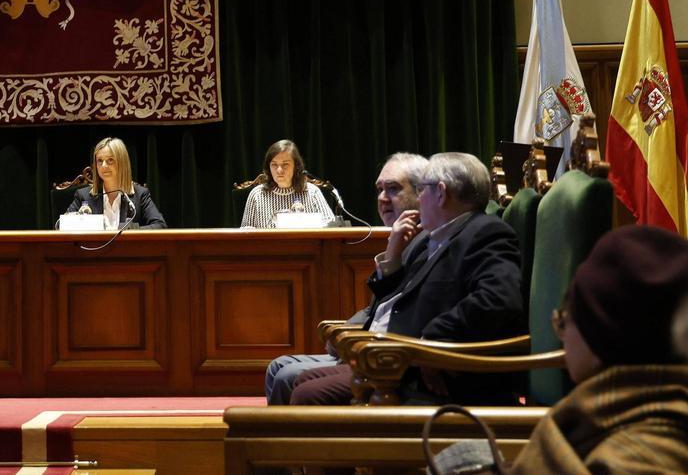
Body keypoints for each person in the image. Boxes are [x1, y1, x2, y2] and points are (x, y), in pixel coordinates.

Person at [290, 152, 524, 405]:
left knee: (306, 393)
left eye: (422, 189)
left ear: (441, 193)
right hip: (402, 359)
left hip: (443, 372)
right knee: (302, 381)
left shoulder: (486, 232)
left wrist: (433, 339)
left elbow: (500, 298)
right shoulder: (439, 235)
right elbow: (398, 296)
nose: (418, 199)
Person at [508, 225, 688, 472]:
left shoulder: (634, 460)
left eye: (564, 320)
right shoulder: (615, 422)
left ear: (600, 336)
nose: (561, 336)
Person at [265, 152, 428, 404]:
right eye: (379, 189)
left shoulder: (426, 243)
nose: (383, 198)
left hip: (383, 354)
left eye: (394, 189)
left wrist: (351, 339)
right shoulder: (402, 239)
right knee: (278, 366)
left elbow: (401, 312)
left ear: (422, 194)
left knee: (289, 375)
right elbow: (377, 307)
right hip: (364, 343)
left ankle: (287, 441)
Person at [65, 137, 166, 229]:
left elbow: (160, 225)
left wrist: (130, 231)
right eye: (100, 161)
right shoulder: (83, 196)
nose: (104, 165)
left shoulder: (140, 195)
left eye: (110, 160)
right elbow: (62, 225)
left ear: (122, 163)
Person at [240, 140, 334, 228]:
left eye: (285, 164)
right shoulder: (257, 194)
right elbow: (245, 233)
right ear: (268, 167)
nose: (279, 170)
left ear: (296, 167)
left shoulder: (312, 192)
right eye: (274, 165)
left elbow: (330, 224)